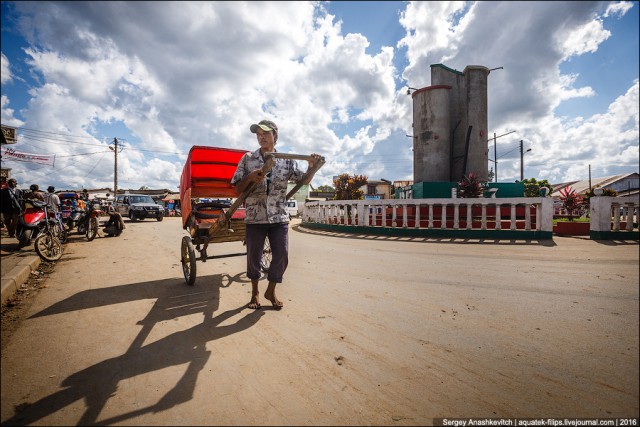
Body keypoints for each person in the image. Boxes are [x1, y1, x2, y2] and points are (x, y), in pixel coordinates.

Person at [230, 119, 322, 310]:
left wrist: (311, 166)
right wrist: (250, 177)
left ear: (275, 136)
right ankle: (254, 293)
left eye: (265, 133)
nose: (261, 136)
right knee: (253, 257)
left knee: (282, 254)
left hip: (279, 216)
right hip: (255, 217)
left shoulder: (286, 160)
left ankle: (270, 290)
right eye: (258, 134)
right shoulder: (248, 158)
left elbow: (303, 181)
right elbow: (237, 187)